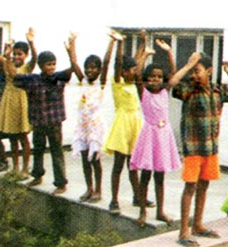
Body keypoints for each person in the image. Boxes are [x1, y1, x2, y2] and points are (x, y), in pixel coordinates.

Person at [171, 52, 228, 247]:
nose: (194, 75)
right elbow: (172, 82)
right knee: (190, 187)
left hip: (211, 148)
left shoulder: (217, 91)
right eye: (192, 71)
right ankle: (184, 230)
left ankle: (198, 225)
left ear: (209, 71)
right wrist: (187, 65)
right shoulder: (188, 90)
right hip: (193, 148)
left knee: (204, 186)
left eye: (197, 70)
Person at [129, 32, 181, 227]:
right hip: (150, 135)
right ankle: (142, 211)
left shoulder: (165, 91)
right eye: (151, 77)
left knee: (160, 176)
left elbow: (174, 73)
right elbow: (137, 74)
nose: (155, 80)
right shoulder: (144, 91)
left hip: (163, 136)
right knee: (146, 176)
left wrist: (168, 52)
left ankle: (160, 211)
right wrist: (145, 52)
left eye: (159, 77)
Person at [65, 30, 118, 203]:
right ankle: (88, 188)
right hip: (83, 126)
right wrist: (72, 43)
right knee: (84, 158)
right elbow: (74, 63)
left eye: (94, 68)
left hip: (95, 126)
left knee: (95, 159)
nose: (90, 70)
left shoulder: (100, 82)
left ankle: (98, 190)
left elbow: (107, 61)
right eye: (88, 67)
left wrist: (112, 42)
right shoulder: (83, 80)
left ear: (99, 70)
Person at [103, 31, 151, 214]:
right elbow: (114, 64)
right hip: (123, 125)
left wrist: (143, 40)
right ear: (123, 71)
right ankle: (114, 200)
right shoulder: (118, 82)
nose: (136, 71)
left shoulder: (133, 83)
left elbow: (139, 60)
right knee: (118, 165)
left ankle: (138, 196)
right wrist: (119, 43)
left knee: (134, 164)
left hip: (135, 125)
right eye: (132, 70)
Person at [12, 50, 72, 195]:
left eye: (53, 64)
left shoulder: (59, 78)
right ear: (40, 66)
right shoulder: (32, 80)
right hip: (38, 122)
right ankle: (37, 175)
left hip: (54, 122)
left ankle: (61, 183)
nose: (51, 68)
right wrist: (8, 57)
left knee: (56, 151)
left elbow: (73, 70)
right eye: (48, 65)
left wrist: (71, 51)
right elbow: (13, 76)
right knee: (38, 149)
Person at [0, 27, 36, 180]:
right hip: (9, 102)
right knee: (12, 136)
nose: (17, 56)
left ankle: (25, 168)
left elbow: (36, 58)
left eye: (20, 54)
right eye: (15, 53)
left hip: (21, 102)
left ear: (25, 55)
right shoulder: (7, 63)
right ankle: (15, 167)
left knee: (23, 137)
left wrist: (31, 42)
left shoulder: (27, 67)